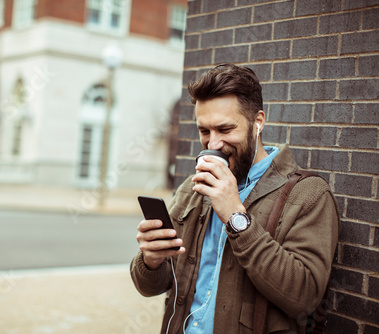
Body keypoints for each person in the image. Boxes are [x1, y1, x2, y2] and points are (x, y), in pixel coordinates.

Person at [130, 63, 339, 334]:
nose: (213, 144)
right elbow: (152, 286)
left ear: (258, 123)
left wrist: (235, 215)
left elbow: (304, 297)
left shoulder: (308, 195)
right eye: (204, 131)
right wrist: (150, 260)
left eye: (225, 129)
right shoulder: (192, 189)